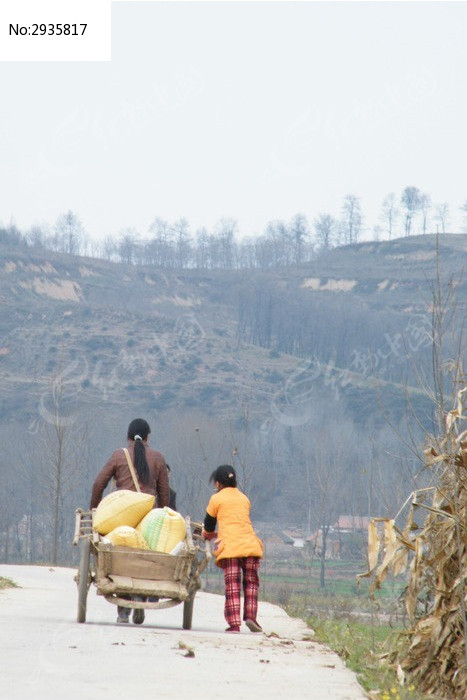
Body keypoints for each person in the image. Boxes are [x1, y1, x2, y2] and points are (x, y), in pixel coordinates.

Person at [90, 418, 170, 625]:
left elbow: (99, 483)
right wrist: (161, 515)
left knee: (121, 555)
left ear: (128, 437)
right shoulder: (159, 458)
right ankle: (141, 598)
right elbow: (164, 494)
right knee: (144, 553)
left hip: (120, 516)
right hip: (148, 517)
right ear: (148, 437)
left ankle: (123, 610)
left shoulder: (119, 455)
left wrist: (95, 509)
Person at [202, 465, 263, 634]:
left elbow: (208, 525)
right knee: (251, 583)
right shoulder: (244, 498)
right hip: (250, 545)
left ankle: (234, 624)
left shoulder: (216, 499)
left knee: (233, 585)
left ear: (217, 484)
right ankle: (251, 617)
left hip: (231, 547)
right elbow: (239, 522)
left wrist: (208, 534)